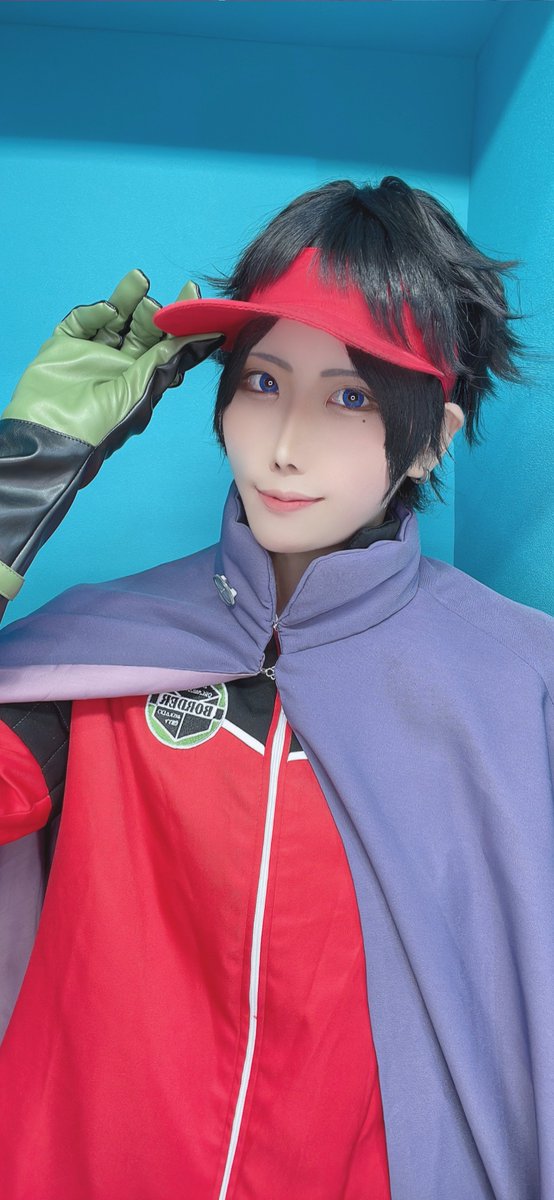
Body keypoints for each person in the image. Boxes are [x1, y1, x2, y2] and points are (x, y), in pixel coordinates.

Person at [0, 176, 552, 1200]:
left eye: (350, 396)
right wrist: (19, 478)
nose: (285, 445)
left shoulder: (520, 687)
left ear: (433, 436)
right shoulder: (96, 652)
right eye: (262, 380)